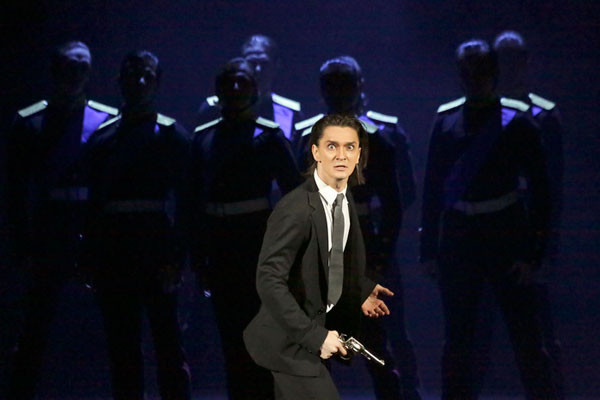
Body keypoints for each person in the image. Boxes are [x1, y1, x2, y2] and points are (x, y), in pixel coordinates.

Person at [420, 39, 559, 399]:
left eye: (480, 71)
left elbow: (542, 193)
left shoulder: (520, 123)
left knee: (527, 340)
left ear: (493, 74)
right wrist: (429, 249)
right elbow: (432, 188)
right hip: (460, 240)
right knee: (458, 342)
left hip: (507, 237)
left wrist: (533, 255)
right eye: (467, 72)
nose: (474, 79)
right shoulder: (446, 120)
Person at [294, 56, 420, 399]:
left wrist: (379, 255)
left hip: (363, 246)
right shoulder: (307, 137)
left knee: (383, 337)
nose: (338, 92)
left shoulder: (377, 138)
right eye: (331, 84)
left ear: (359, 86)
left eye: (345, 84)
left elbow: (396, 201)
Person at [244, 113, 395, 400]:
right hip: (289, 342)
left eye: (349, 147)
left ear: (359, 155)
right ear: (315, 152)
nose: (341, 155)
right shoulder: (297, 209)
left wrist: (360, 289)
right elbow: (270, 280)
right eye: (331, 146)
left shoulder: (341, 200)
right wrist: (315, 337)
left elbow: (329, 263)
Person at [3, 41, 118, 400]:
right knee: (36, 323)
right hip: (49, 228)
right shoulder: (29, 121)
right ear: (56, 70)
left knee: (109, 321)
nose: (77, 74)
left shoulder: (106, 120)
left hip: (93, 226)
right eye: (70, 66)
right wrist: (22, 244)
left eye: (83, 67)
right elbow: (15, 191)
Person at [189, 57, 302, 399]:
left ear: (254, 91)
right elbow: (192, 202)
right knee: (231, 339)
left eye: (243, 82)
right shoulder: (204, 138)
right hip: (220, 248)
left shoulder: (269, 137)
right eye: (229, 83)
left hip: (258, 246)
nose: (236, 89)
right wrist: (199, 257)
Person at [82, 50, 191, 400]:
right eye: (132, 75)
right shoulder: (102, 138)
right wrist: (91, 253)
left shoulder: (172, 135)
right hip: (114, 250)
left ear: (157, 83)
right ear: (120, 82)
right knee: (122, 343)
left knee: (168, 340)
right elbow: (92, 205)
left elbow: (187, 203)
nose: (139, 83)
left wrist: (177, 257)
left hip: (156, 248)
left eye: (147, 76)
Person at [469, 30, 566, 398]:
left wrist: (544, 250)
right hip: (487, 235)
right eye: (501, 62)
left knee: (537, 333)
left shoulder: (543, 114)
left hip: (527, 235)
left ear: (525, 63)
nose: (507, 69)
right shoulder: (478, 113)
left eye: (514, 61)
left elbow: (552, 189)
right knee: (476, 334)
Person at [196, 34, 302, 144]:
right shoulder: (212, 108)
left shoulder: (290, 112)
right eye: (252, 62)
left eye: (264, 63)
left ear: (276, 65)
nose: (258, 69)